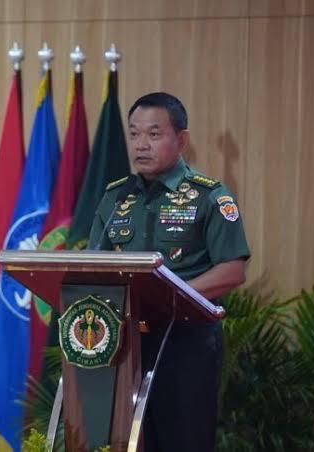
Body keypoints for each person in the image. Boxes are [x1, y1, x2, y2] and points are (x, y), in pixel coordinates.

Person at [87, 92, 250, 451]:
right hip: (124, 344)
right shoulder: (116, 198)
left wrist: (170, 297)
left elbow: (232, 270)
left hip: (185, 344)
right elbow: (92, 265)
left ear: (181, 139)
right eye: (134, 134)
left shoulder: (209, 197)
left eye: (154, 134)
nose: (141, 144)